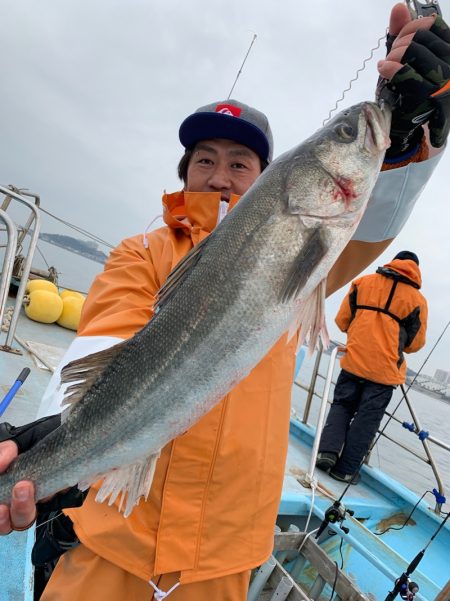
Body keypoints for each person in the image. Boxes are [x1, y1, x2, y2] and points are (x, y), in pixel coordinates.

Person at [0, 4, 448, 600]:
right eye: (204, 160)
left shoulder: (310, 250)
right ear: (184, 172)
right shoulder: (143, 252)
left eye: (241, 163)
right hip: (111, 539)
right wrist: (50, 441)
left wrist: (411, 144)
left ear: (269, 179)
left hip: (226, 558)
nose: (219, 174)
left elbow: (374, 220)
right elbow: (104, 344)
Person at [316, 250, 428, 483]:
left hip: (354, 362)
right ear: (415, 270)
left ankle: (327, 452)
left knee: (342, 406)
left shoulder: (362, 283)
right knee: (367, 419)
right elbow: (414, 345)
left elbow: (342, 321)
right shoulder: (418, 301)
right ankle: (344, 470)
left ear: (393, 262)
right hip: (384, 374)